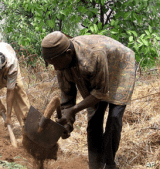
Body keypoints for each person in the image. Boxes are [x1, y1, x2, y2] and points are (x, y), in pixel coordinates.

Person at [41, 31, 136, 169]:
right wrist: (67, 125)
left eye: (55, 63)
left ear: (68, 53)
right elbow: (67, 98)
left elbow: (101, 93)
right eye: (51, 64)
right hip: (98, 75)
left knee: (114, 118)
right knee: (94, 121)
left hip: (120, 66)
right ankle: (95, 165)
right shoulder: (61, 63)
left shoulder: (93, 55)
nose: (55, 68)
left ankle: (109, 164)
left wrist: (73, 110)